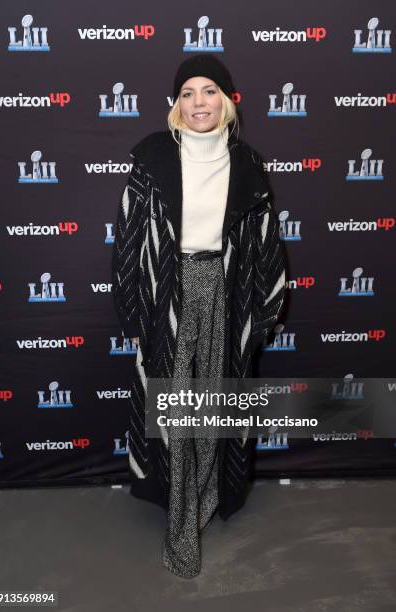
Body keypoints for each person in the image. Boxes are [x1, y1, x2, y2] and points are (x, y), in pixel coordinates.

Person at [112, 54, 287, 578]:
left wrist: (261, 309)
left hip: (226, 292)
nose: (198, 103)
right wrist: (136, 306)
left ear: (228, 101)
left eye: (209, 91)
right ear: (175, 105)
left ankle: (205, 491)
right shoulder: (150, 157)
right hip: (169, 292)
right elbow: (128, 237)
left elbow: (265, 245)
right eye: (187, 93)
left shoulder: (250, 164)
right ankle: (181, 524)